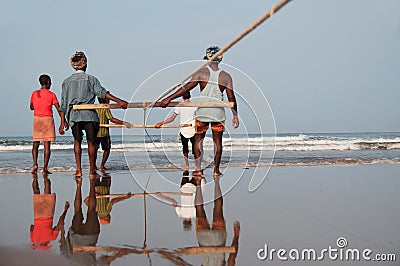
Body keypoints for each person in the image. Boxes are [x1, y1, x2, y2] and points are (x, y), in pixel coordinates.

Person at [160, 46, 239, 177]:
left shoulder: (201, 73)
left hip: (203, 112)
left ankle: (198, 169)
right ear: (220, 59)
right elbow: (231, 97)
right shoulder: (226, 76)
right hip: (218, 113)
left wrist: (168, 99)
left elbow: (186, 88)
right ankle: (215, 171)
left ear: (207, 58)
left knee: (198, 141)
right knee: (217, 142)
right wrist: (235, 115)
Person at [59, 51, 129, 178]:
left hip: (73, 115)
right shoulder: (91, 79)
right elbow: (101, 93)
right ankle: (91, 170)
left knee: (77, 141)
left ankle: (79, 169)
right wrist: (119, 100)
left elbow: (63, 104)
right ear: (85, 64)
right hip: (89, 114)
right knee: (91, 142)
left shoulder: (66, 82)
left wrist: (62, 121)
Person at [30, 74, 65, 174]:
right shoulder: (51, 94)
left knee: (35, 144)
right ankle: (45, 168)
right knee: (47, 146)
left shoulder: (34, 93)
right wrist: (63, 121)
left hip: (37, 119)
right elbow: (59, 109)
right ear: (48, 82)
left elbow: (31, 107)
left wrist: (37, 105)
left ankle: (35, 164)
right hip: (48, 120)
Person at [155, 91, 197, 173]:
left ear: (182, 97)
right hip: (193, 129)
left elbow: (172, 118)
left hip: (185, 130)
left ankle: (187, 165)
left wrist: (161, 122)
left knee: (185, 149)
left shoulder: (179, 106)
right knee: (195, 148)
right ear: (190, 96)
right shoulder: (195, 105)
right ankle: (196, 165)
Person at [30, 173, 70, 250]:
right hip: (37, 215)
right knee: (36, 192)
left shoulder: (52, 238)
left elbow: (60, 223)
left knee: (47, 191)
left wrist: (66, 209)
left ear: (47, 244)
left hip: (48, 214)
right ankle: (35, 177)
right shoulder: (33, 239)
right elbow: (31, 227)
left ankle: (45, 176)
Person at [96, 97, 133, 171]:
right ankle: (102, 165)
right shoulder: (105, 108)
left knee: (94, 149)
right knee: (107, 149)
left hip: (94, 132)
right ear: (105, 100)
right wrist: (124, 123)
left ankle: (93, 165)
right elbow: (111, 119)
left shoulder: (95, 108)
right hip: (103, 133)